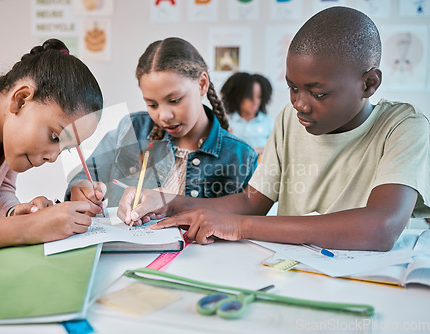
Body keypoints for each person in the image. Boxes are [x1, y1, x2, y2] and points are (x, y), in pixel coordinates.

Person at [117, 7, 430, 251]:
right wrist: (168, 201)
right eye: (293, 88)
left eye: (318, 93)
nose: (300, 104)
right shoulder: (289, 120)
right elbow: (251, 202)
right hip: (294, 270)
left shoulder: (402, 126)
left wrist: (241, 227)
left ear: (369, 83)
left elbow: (381, 227)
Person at [0, 39, 105, 258]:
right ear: (21, 100)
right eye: (55, 136)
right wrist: (28, 227)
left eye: (65, 149)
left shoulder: (9, 137)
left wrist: (16, 212)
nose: (52, 157)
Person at [67, 37, 258, 208]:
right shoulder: (131, 129)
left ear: (202, 84)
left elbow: (247, 221)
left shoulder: (241, 156)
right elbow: (86, 176)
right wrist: (82, 186)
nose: (164, 115)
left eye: (174, 100)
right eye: (152, 104)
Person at [221, 72, 274, 154]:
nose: (255, 101)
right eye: (249, 97)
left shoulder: (269, 123)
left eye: (259, 96)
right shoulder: (226, 122)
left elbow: (277, 150)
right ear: (238, 96)